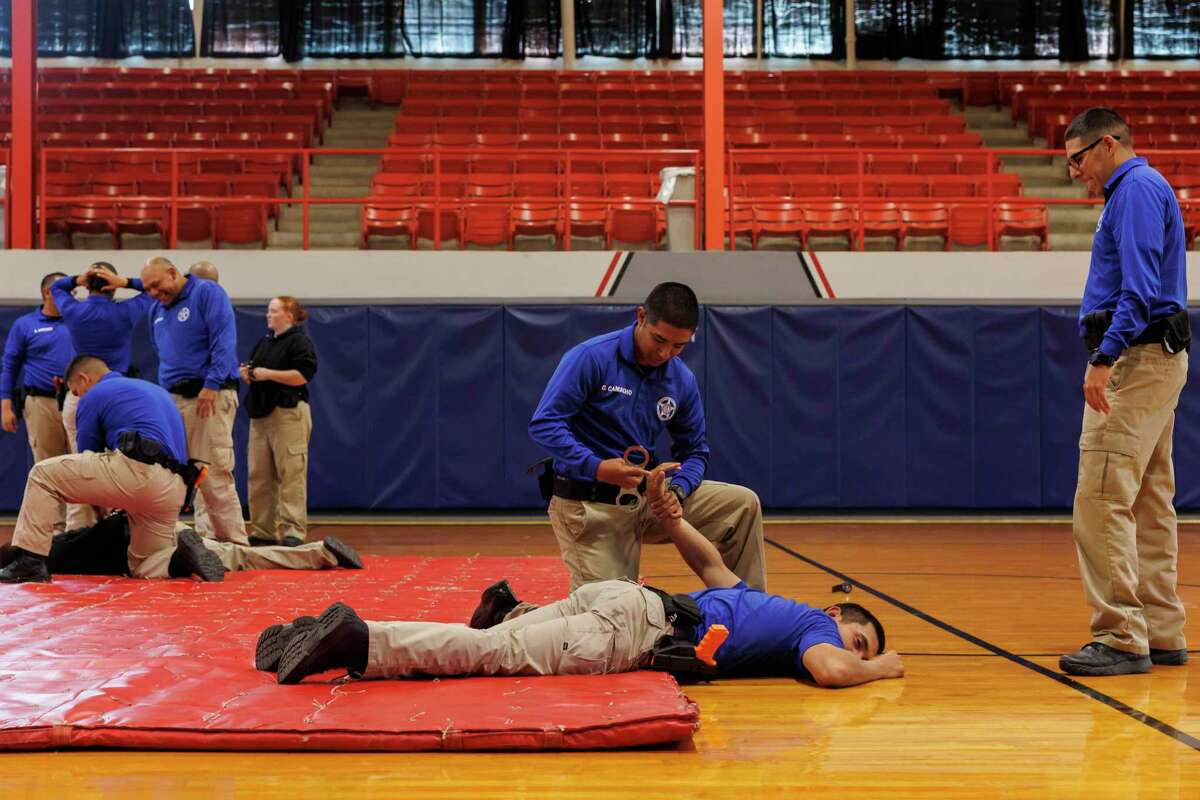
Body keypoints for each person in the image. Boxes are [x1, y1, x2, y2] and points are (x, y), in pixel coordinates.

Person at [265, 468, 903, 687]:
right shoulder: (815, 629)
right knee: (491, 658)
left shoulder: (764, 604)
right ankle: (359, 642)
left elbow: (710, 564)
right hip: (635, 629)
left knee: (498, 640)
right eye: (859, 638)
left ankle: (304, 633)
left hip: (627, 596)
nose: (854, 650)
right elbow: (832, 669)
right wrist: (885, 665)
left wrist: (672, 518)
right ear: (840, 618)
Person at [1059, 108, 1191, 677]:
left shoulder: (1134, 191)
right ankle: (1161, 629)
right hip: (1159, 359)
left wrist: (1103, 357)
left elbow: (1137, 289)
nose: (1075, 173)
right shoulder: (1143, 188)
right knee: (1148, 500)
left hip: (1134, 360)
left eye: (1078, 159)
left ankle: (1121, 635)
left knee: (1102, 497)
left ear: (1108, 144)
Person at [527, 282, 766, 592]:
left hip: (648, 500)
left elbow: (695, 451)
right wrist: (598, 467)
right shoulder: (591, 357)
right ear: (641, 316)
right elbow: (545, 424)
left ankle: (753, 618)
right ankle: (511, 612)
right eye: (659, 340)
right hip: (589, 505)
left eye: (679, 346)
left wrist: (676, 493)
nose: (665, 353)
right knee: (611, 617)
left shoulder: (681, 378)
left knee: (743, 504)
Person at [0, 355, 215, 583]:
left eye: (75, 391)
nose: (77, 397)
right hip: (175, 489)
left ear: (84, 379)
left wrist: (105, 509)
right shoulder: (155, 390)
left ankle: (30, 563)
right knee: (143, 563)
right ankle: (179, 560)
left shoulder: (94, 395)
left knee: (42, 474)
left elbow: (87, 457)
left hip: (139, 474)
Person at [94, 257, 250, 546]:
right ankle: (208, 540)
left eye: (156, 285)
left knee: (214, 470)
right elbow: (161, 350)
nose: (152, 292)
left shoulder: (207, 293)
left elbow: (223, 340)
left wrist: (212, 384)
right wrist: (127, 283)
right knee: (188, 474)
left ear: (174, 272)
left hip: (206, 396)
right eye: (148, 288)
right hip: (174, 399)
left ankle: (235, 544)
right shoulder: (157, 308)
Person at [51, 263, 157, 530]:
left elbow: (55, 287)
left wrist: (77, 277)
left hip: (80, 394)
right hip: (117, 396)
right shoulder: (125, 312)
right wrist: (126, 281)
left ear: (87, 286)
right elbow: (152, 290)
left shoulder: (74, 311)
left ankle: (77, 529)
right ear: (112, 286)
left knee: (79, 461)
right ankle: (117, 528)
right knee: (118, 461)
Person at [0, 510, 363, 579]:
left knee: (237, 558)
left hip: (138, 544)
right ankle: (319, 553)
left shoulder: (52, 556)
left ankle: (179, 562)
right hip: (152, 523)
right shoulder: (58, 544)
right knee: (238, 554)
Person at [0, 272, 76, 530]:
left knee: (82, 462)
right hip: (40, 402)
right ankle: (54, 529)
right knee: (47, 465)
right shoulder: (25, 324)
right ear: (47, 293)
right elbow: (9, 366)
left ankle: (81, 528)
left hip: (78, 402)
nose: (71, 297)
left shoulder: (79, 321)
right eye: (65, 291)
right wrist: (6, 405)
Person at [241, 296, 318, 547]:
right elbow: (255, 369)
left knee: (291, 473)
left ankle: (294, 531)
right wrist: (248, 373)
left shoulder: (299, 342)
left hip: (288, 414)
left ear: (288, 315)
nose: (268, 315)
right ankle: (263, 529)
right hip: (261, 414)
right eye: (268, 311)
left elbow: (302, 376)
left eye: (274, 311)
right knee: (259, 474)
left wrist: (268, 374)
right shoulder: (264, 342)